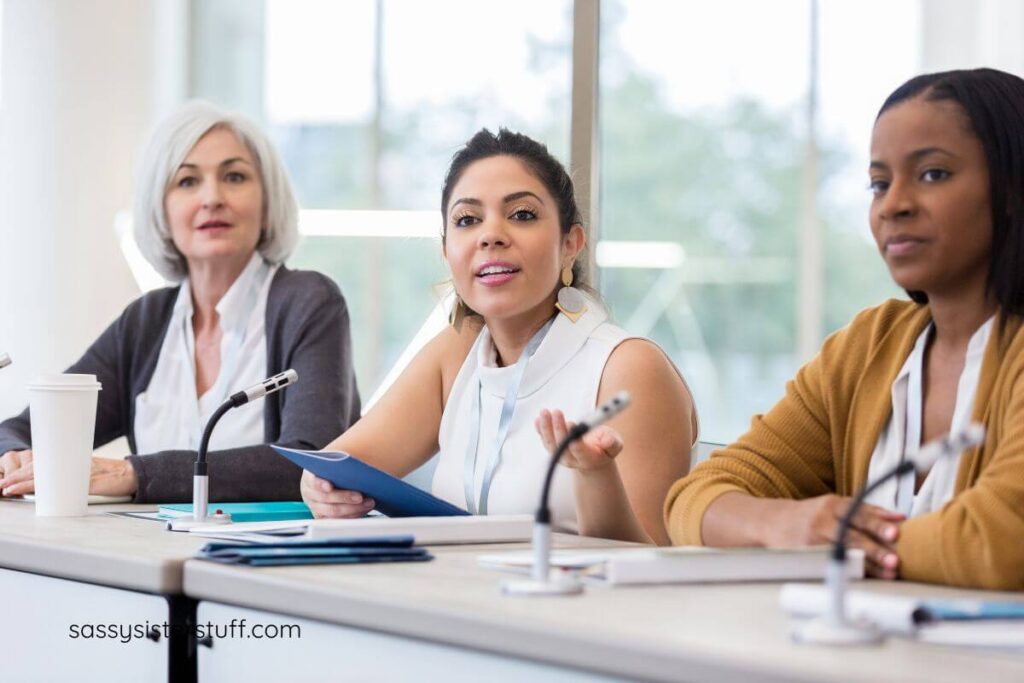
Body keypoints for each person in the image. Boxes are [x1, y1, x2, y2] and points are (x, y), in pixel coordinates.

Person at [665, 68, 1024, 590]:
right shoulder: (868, 345)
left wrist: (842, 542)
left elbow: (1000, 544)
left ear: (1013, 187)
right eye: (879, 183)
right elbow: (695, 499)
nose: (893, 205)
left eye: (932, 174)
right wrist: (783, 522)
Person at [301, 129, 697, 544]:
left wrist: (595, 475)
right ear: (446, 251)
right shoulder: (458, 351)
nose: (491, 235)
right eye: (468, 220)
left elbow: (645, 566)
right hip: (456, 600)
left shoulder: (628, 368)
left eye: (522, 214)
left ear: (570, 244)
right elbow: (334, 466)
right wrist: (318, 488)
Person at [0, 101, 360, 503]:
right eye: (187, 182)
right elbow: (25, 428)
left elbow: (311, 462)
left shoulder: (308, 303)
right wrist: (15, 456)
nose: (212, 198)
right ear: (161, 208)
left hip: (265, 560)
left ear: (267, 200)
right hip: (148, 556)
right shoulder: (145, 322)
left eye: (235, 176)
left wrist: (134, 472)